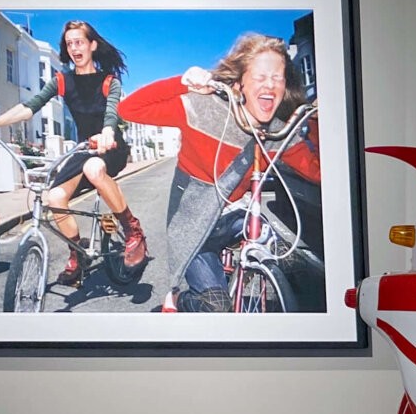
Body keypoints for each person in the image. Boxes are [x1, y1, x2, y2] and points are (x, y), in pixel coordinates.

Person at [117, 33, 320, 312]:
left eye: (278, 78)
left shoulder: (276, 132)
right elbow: (128, 109)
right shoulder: (203, 108)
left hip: (238, 218)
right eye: (261, 77)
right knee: (215, 306)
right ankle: (180, 299)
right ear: (239, 84)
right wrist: (182, 82)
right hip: (196, 227)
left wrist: (320, 121)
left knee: (295, 265)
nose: (270, 85)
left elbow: (320, 173)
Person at [0, 20, 148, 284]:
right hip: (83, 149)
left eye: (79, 42)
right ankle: (77, 255)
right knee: (55, 196)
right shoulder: (62, 81)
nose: (74, 48)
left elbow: (111, 113)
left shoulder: (108, 81)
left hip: (109, 147)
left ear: (92, 45)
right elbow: (30, 106)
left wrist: (106, 134)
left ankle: (133, 232)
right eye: (69, 44)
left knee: (94, 167)